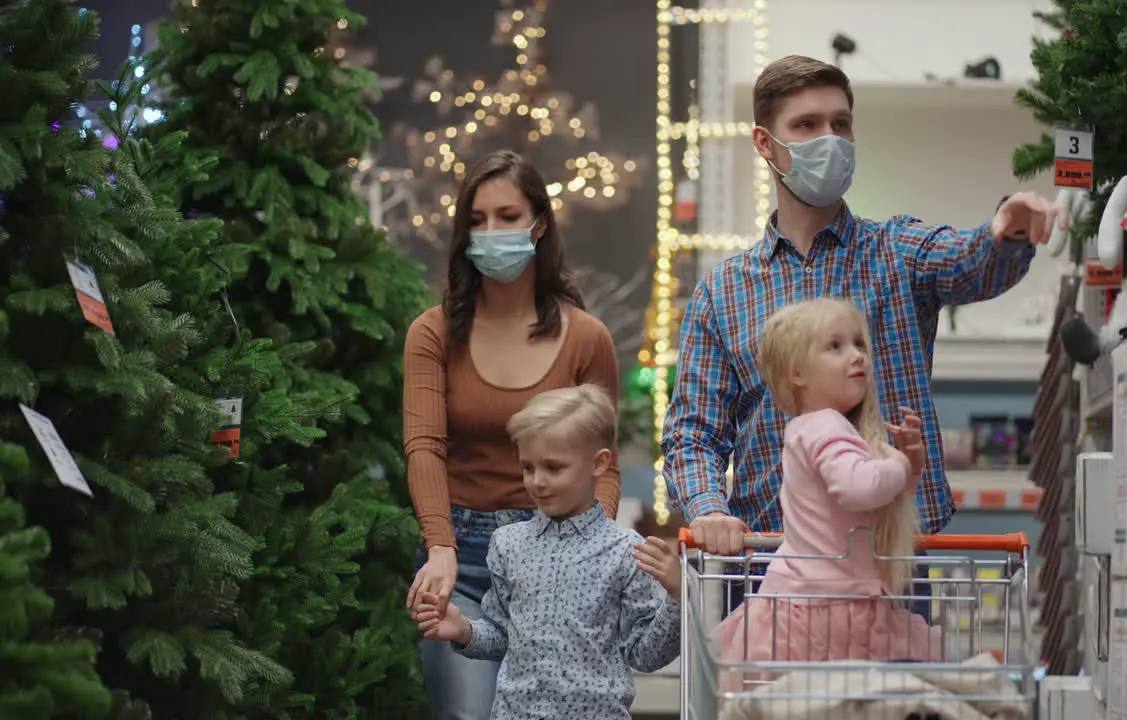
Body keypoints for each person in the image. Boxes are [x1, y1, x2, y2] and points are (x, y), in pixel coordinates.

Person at [662, 56, 1066, 616]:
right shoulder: (724, 291)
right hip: (770, 565)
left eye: (841, 124)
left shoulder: (896, 252)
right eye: (806, 126)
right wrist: (708, 509)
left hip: (892, 562)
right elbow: (693, 432)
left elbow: (973, 264)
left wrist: (1008, 229)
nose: (830, 139)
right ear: (764, 143)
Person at [402, 150, 623, 720]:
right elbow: (424, 446)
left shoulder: (586, 338)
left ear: (539, 223)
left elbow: (605, 463)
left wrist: (593, 555)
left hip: (555, 555)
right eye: (476, 220)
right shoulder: (432, 333)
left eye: (507, 216)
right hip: (463, 555)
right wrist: (440, 549)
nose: (491, 232)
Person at [413, 384, 683, 720]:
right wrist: (465, 630)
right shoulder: (507, 544)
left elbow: (645, 655)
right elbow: (502, 636)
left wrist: (676, 596)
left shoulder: (626, 551)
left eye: (553, 468)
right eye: (528, 467)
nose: (537, 481)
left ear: (599, 463)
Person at [713, 299, 942, 689]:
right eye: (834, 347)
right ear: (797, 373)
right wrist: (902, 466)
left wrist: (909, 466)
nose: (856, 356)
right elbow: (860, 488)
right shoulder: (824, 427)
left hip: (814, 601)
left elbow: (866, 495)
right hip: (823, 611)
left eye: (859, 344)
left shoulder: (818, 427)